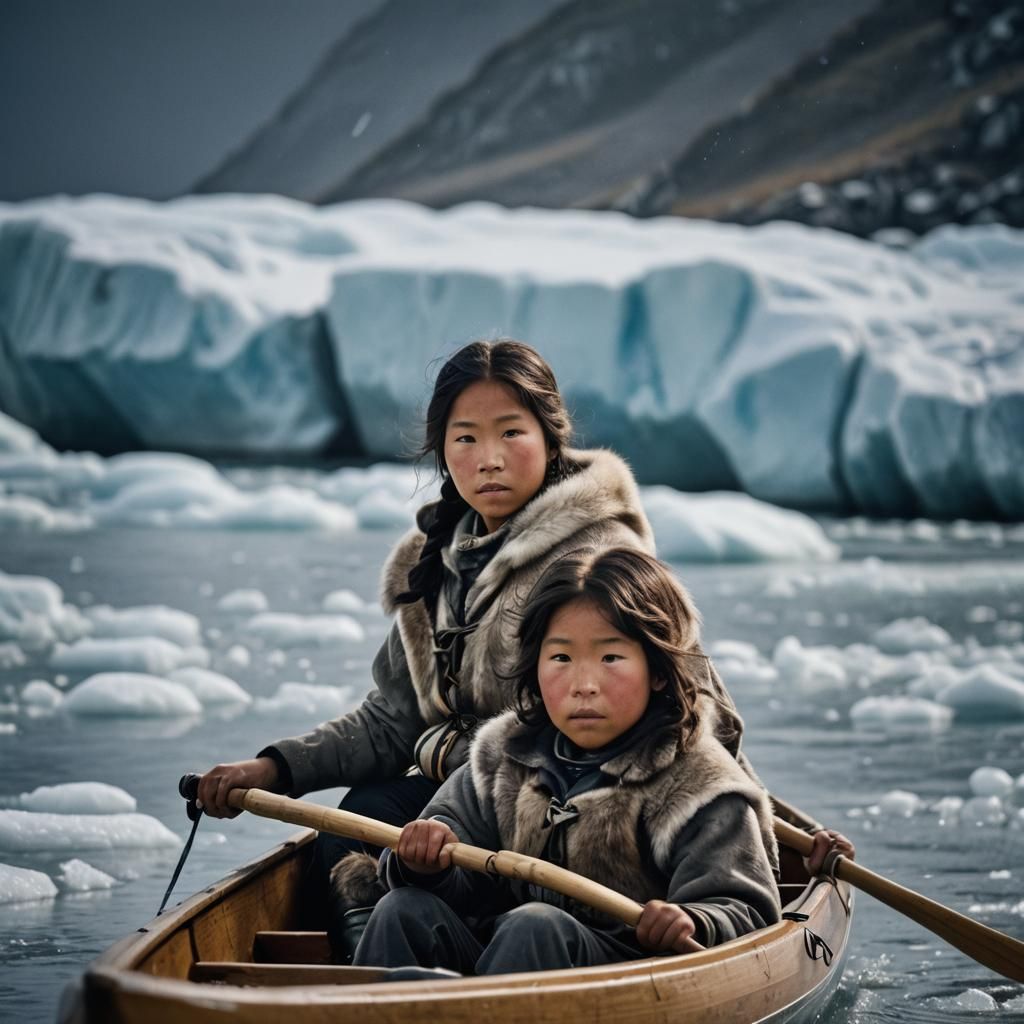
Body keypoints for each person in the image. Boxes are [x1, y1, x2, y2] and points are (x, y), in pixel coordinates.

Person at [196, 338, 852, 959]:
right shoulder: (432, 567)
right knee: (356, 821)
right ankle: (379, 976)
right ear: (441, 451)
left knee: (485, 887)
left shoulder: (601, 561)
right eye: (466, 439)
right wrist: (273, 769)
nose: (490, 458)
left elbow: (698, 705)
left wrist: (761, 827)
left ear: (548, 435)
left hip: (579, 784)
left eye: (512, 433)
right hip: (485, 786)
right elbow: (392, 720)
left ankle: (487, 971)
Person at [353, 548, 782, 974]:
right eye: (560, 658)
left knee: (535, 926)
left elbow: (748, 911)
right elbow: (460, 884)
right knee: (401, 909)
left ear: (657, 671)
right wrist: (422, 863)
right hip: (502, 958)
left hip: (629, 977)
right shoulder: (501, 756)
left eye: (611, 657)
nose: (583, 685)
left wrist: (696, 921)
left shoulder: (701, 785)